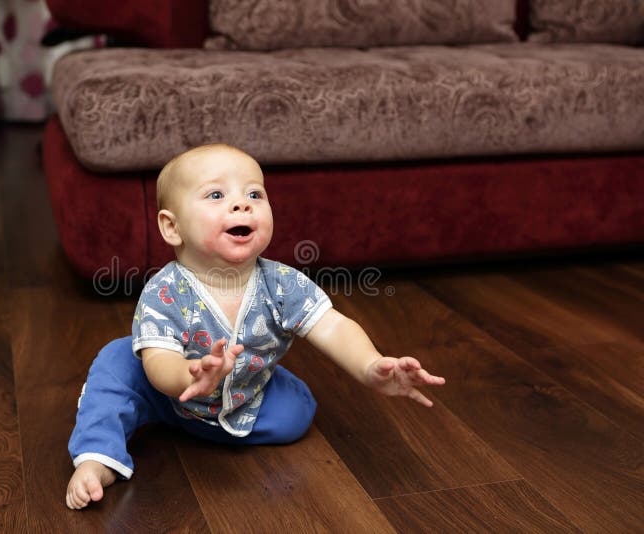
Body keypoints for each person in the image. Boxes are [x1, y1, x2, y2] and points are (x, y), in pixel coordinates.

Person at [65, 144, 445, 510]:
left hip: (245, 396)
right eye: (216, 195)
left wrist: (370, 366)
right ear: (171, 227)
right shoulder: (164, 292)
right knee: (117, 361)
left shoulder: (282, 284)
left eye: (254, 194)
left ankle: (223, 419)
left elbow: (332, 327)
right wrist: (190, 375)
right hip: (165, 395)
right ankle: (99, 458)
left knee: (298, 411)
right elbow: (159, 362)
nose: (241, 203)